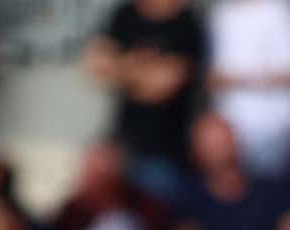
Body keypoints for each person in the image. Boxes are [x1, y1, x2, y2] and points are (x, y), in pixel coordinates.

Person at [86, 0, 205, 204]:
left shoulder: (186, 21)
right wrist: (147, 67)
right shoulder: (124, 15)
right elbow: (96, 66)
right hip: (121, 146)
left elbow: (165, 84)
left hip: (165, 151)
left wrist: (124, 66)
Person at [206, 0, 290, 181]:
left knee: (273, 189)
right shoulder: (221, 13)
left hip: (275, 129)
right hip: (229, 132)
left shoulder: (281, 9)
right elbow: (213, 77)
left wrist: (241, 79)